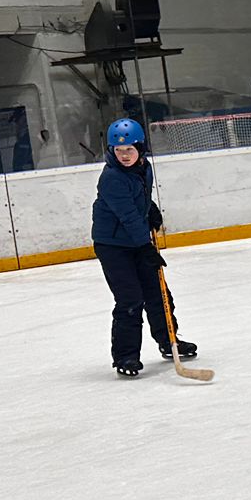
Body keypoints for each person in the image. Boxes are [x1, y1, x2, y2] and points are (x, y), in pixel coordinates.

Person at [90, 118, 195, 377]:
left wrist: (151, 209)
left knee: (158, 292)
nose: (124, 155)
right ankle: (125, 356)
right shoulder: (112, 178)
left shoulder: (143, 168)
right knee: (131, 299)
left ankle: (169, 341)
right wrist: (146, 247)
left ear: (140, 148)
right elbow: (127, 215)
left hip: (136, 240)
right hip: (113, 246)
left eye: (129, 149)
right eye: (118, 150)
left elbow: (140, 197)